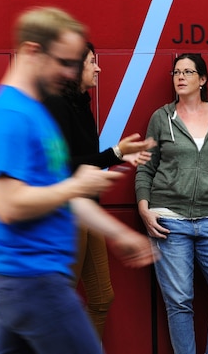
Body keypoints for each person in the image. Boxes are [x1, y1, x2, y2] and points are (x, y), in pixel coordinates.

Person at [0, 6, 157, 354]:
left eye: (75, 63)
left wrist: (119, 234)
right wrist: (78, 185)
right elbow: (9, 205)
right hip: (32, 281)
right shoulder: (9, 116)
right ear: (31, 51)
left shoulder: (36, 114)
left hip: (29, 281)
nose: (70, 72)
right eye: (63, 62)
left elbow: (62, 192)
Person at [44, 41, 155, 338]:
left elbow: (85, 162)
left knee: (102, 297)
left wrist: (117, 155)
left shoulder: (82, 104)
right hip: (68, 214)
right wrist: (115, 154)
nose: (98, 68)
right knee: (60, 301)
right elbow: (64, 165)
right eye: (92, 61)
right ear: (74, 67)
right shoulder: (57, 106)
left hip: (88, 210)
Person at [135, 53, 208, 354]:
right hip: (169, 220)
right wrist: (144, 207)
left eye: (187, 71)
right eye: (176, 72)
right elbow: (146, 167)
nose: (180, 77)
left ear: (202, 79)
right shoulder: (162, 118)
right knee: (179, 301)